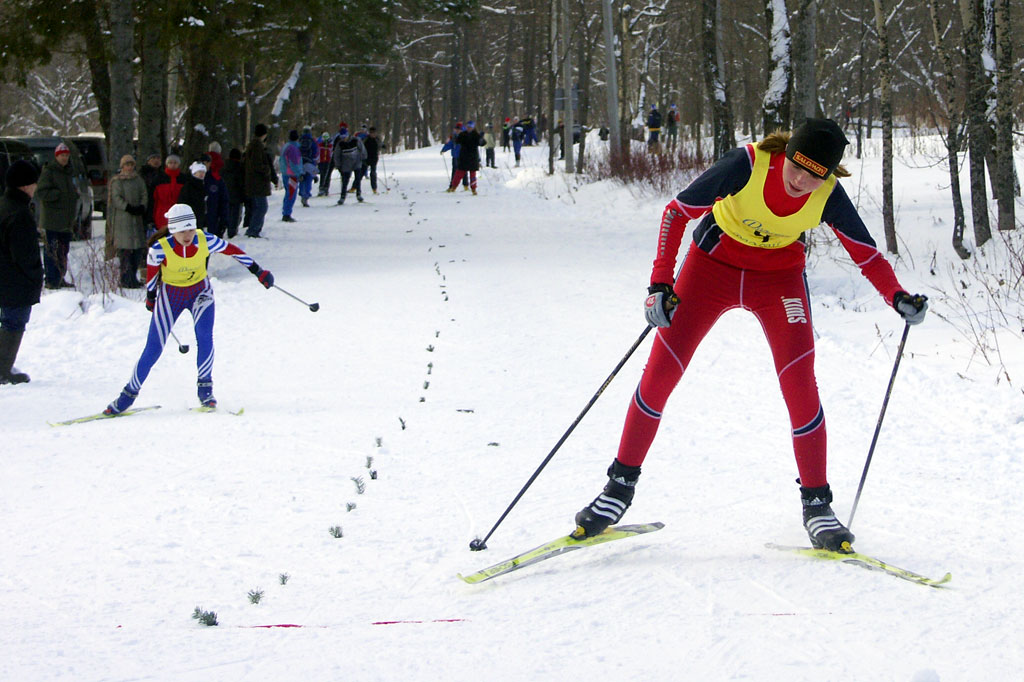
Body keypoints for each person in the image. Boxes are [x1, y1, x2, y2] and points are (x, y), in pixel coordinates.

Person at [571, 118, 929, 553]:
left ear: (828, 174)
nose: (801, 180)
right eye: (796, 166)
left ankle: (817, 505)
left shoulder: (829, 195)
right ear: (787, 153)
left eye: (815, 174)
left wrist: (897, 297)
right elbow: (677, 212)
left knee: (800, 383)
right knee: (661, 374)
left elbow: (866, 253)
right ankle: (617, 490)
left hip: (778, 280)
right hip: (711, 268)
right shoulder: (747, 164)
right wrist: (660, 284)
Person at [103, 203, 275, 414]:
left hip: (200, 294)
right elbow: (151, 275)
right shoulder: (159, 249)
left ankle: (206, 392)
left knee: (204, 337)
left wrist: (258, 271)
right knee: (153, 348)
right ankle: (126, 396)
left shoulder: (205, 239)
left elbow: (234, 251)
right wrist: (150, 297)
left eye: (191, 229)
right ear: (173, 230)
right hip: (170, 297)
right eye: (182, 230)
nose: (188, 235)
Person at [0, 160, 42, 384]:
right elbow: (24, 255)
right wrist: (36, 276)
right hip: (15, 281)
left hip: (5, 277)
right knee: (13, 323)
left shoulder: (3, 205)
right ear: (25, 185)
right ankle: (3, 370)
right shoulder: (20, 213)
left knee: (8, 322)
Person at [35, 142, 79, 289]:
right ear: (56, 156)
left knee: (63, 251)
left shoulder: (68, 172)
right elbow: (41, 192)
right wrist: (58, 195)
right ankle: (51, 279)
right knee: (51, 251)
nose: (65, 158)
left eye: (66, 156)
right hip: (52, 220)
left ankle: (60, 277)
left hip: (66, 221)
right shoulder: (49, 171)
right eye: (62, 156)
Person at [107, 155, 148, 288]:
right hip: (123, 220)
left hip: (136, 219)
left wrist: (142, 206)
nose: (129, 167)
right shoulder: (117, 181)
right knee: (125, 251)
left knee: (137, 250)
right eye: (127, 165)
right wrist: (127, 207)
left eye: (131, 165)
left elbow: (144, 194)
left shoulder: (138, 180)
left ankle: (133, 277)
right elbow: (116, 198)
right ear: (122, 166)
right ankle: (125, 278)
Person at [244, 123, 274, 238]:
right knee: (261, 207)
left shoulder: (253, 145)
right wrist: (266, 170)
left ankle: (255, 229)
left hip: (254, 182)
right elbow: (257, 165)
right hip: (257, 182)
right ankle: (253, 230)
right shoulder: (257, 146)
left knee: (259, 206)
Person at [149, 154, 186, 235]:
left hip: (178, 212)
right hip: (161, 213)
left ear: (178, 164)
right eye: (170, 163)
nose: (173, 165)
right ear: (167, 164)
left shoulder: (184, 179)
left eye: (175, 163)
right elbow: (153, 199)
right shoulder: (159, 178)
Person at [448, 120, 485, 195]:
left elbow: (482, 143)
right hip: (464, 157)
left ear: (473, 128)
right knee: (459, 173)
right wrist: (454, 136)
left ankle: (473, 189)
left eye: (470, 127)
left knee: (472, 175)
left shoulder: (476, 135)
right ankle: (453, 187)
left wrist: (481, 139)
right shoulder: (463, 134)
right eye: (468, 127)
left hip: (473, 157)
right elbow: (457, 141)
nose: (469, 128)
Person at [332, 126, 366, 204]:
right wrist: (338, 165)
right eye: (342, 137)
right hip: (346, 164)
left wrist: (363, 158)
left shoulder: (355, 140)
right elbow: (336, 155)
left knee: (358, 179)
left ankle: (358, 194)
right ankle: (343, 196)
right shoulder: (340, 144)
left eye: (345, 137)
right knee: (345, 181)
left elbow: (362, 149)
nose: (344, 139)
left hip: (356, 162)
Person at [221, 148, 245, 238]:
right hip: (236, 195)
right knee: (235, 215)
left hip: (225, 194)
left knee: (226, 212)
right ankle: (232, 232)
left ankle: (223, 228)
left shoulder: (224, 167)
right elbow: (241, 182)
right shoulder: (240, 168)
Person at [279, 130, 302, 222]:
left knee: (288, 193)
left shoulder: (286, 146)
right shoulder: (293, 148)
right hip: (291, 174)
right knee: (291, 194)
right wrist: (299, 173)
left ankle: (286, 212)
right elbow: (294, 163)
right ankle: (287, 214)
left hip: (285, 173)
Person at [298, 126, 319, 207]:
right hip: (310, 162)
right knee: (308, 179)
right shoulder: (312, 141)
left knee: (302, 179)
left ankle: (302, 193)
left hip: (300, 162)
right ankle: (306, 196)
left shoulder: (300, 140)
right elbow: (316, 152)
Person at [362, 127, 382, 195]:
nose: (373, 134)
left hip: (374, 159)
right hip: (366, 158)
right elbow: (361, 146)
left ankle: (374, 188)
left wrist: (383, 146)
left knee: (373, 173)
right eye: (371, 133)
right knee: (361, 173)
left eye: (374, 133)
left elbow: (380, 144)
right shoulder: (366, 139)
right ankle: (354, 187)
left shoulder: (377, 139)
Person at [317, 132, 332, 196]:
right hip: (321, 162)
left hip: (328, 162)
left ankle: (326, 188)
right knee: (322, 175)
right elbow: (317, 153)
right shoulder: (320, 145)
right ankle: (321, 188)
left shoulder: (330, 145)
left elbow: (331, 154)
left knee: (327, 175)